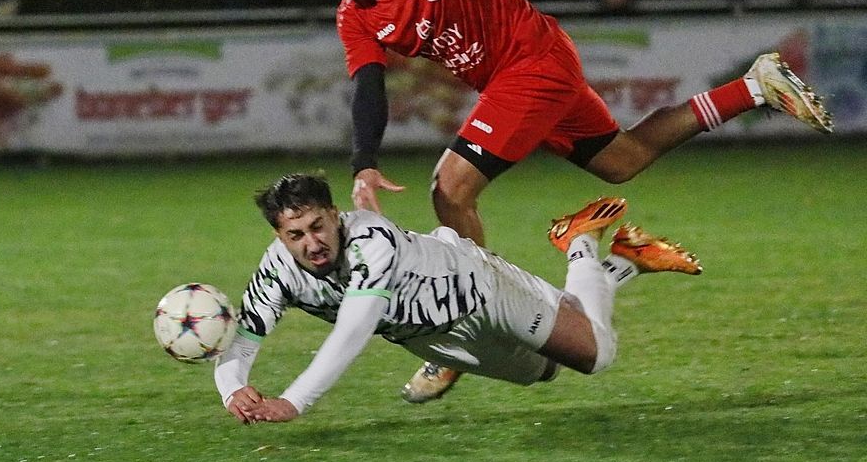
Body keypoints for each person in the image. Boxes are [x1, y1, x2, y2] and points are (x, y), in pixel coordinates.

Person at [295, 0, 832, 402]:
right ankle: (753, 86)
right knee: (622, 161)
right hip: (525, 75)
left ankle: (469, 329)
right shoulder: (355, 14)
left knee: (450, 191)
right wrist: (365, 163)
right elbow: (369, 86)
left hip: (532, 62)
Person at [214, 173, 702, 423]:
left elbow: (354, 328)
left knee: (596, 355)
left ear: (335, 215)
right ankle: (626, 260)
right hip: (434, 341)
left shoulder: (372, 241)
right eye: (295, 234)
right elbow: (246, 336)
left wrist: (295, 401)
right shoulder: (278, 270)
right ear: (280, 236)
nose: (311, 243)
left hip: (481, 290)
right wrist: (233, 386)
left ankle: (579, 240)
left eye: (318, 226)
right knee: (546, 369)